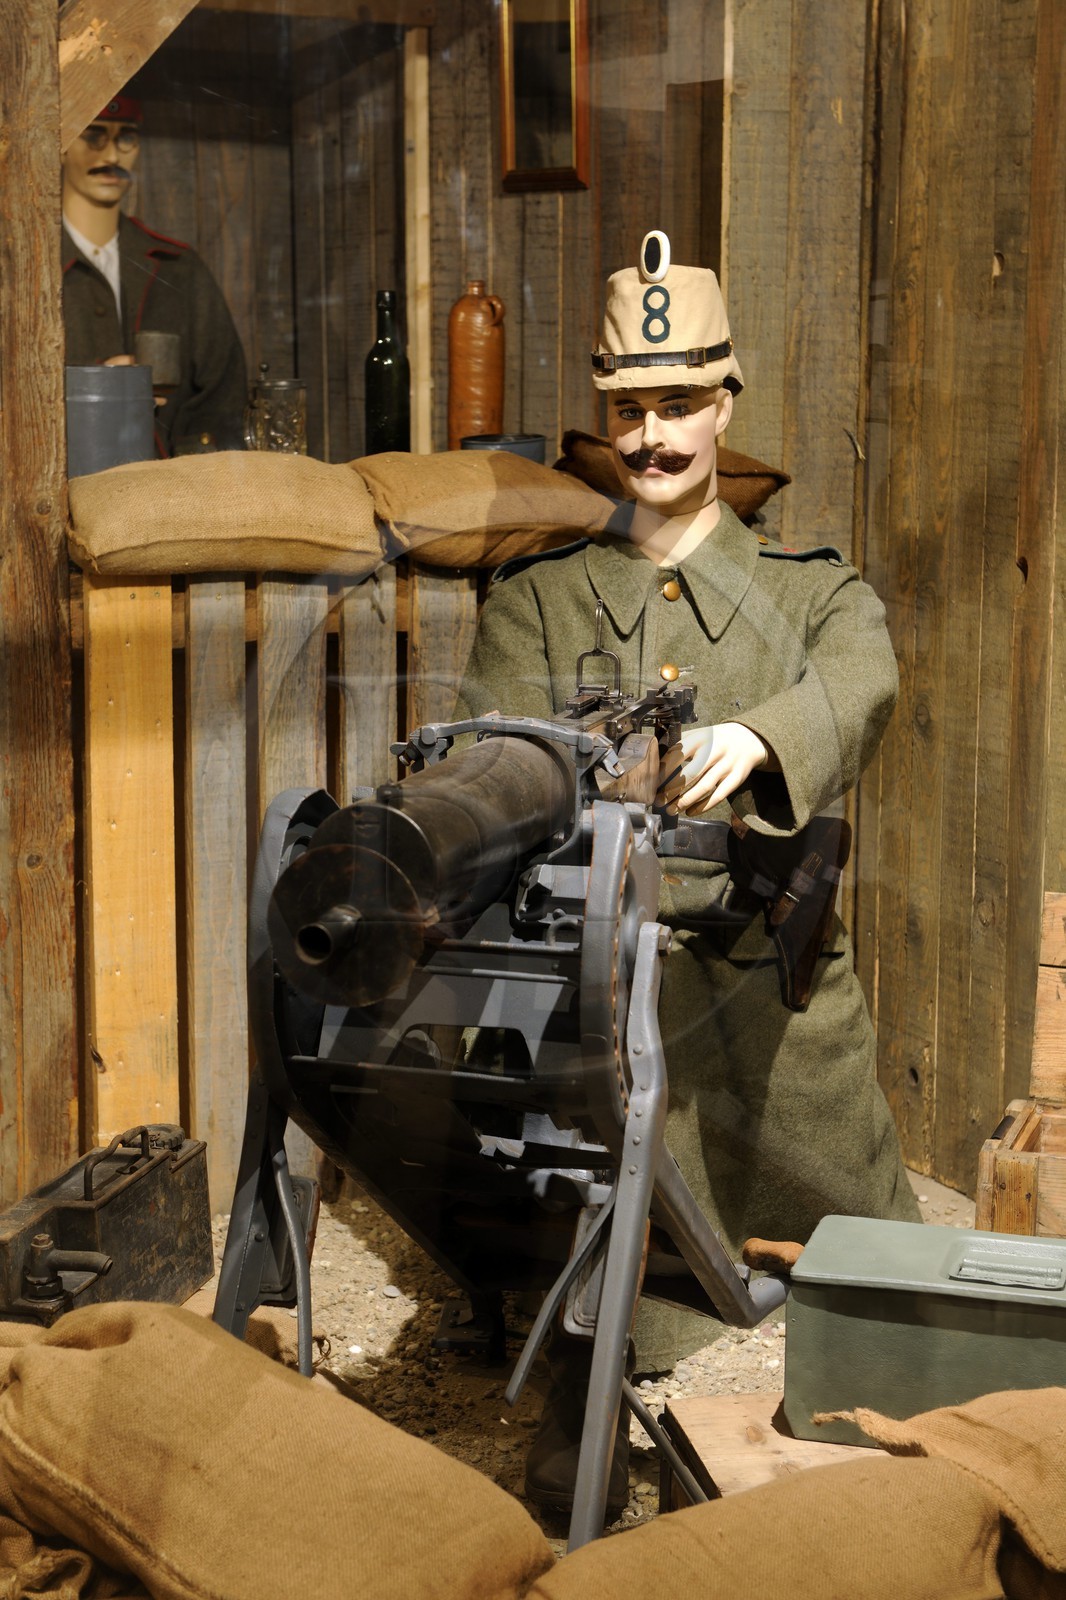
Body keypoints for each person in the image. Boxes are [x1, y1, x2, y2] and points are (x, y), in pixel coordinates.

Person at [454, 229, 920, 1515]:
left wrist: (756, 735)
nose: (651, 437)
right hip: (602, 1007)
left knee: (875, 1264)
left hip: (769, 1012)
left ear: (726, 404)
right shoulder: (538, 603)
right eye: (627, 410)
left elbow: (861, 677)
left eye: (677, 405)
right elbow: (489, 758)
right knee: (586, 1283)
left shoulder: (808, 592)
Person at [61, 95, 248, 454]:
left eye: (126, 137)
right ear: (63, 146)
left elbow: (224, 392)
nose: (112, 157)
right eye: (94, 136)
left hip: (166, 491)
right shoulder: (19, 275)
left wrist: (189, 474)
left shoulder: (179, 267)